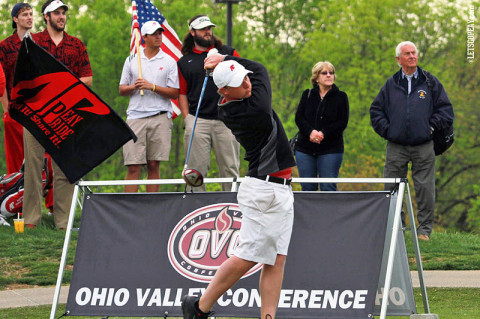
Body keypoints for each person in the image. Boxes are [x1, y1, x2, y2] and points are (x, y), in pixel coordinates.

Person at [181, 55, 296, 319]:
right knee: (248, 256)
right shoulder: (251, 107)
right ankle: (198, 308)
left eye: (244, 76)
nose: (246, 83)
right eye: (238, 82)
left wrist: (227, 62)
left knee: (276, 259)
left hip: (279, 189)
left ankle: (268, 317)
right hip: (263, 191)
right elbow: (261, 68)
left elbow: (253, 73)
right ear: (223, 91)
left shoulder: (234, 101)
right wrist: (226, 57)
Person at [370, 41, 454, 241]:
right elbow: (376, 111)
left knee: (425, 188)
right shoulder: (391, 84)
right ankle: (397, 228)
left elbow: (446, 110)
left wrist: (431, 127)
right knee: (391, 187)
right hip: (396, 146)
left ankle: (424, 230)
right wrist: (388, 131)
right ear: (398, 59)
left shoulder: (430, 82)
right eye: (407, 54)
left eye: (414, 53)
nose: (412, 56)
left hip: (424, 145)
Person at [22, 0, 93, 229]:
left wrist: (64, 92)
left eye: (63, 13)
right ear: (46, 16)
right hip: (36, 114)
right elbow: (24, 77)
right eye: (57, 13)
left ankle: (63, 222)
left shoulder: (76, 44)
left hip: (66, 116)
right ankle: (32, 221)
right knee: (33, 169)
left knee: (65, 168)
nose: (62, 16)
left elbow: (87, 78)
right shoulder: (32, 42)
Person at [177, 15, 240, 191]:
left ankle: (232, 204)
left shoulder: (228, 52)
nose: (208, 31)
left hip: (227, 119)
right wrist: (187, 119)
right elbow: (182, 93)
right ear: (192, 32)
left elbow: (243, 79)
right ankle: (196, 208)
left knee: (230, 168)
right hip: (198, 120)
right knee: (195, 171)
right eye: (203, 29)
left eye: (209, 28)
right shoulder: (184, 61)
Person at [119, 21, 179, 193]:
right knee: (133, 166)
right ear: (144, 37)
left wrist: (151, 86)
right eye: (154, 34)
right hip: (135, 117)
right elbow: (122, 89)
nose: (158, 36)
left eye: (160, 33)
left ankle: (151, 207)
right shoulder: (132, 59)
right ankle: (130, 208)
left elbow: (174, 93)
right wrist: (134, 87)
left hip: (160, 116)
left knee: (153, 164)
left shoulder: (169, 61)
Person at [294, 61, 349, 191]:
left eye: (331, 73)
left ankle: (329, 212)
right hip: (305, 149)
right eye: (324, 73)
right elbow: (299, 118)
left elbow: (342, 122)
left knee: (328, 187)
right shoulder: (307, 94)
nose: (329, 75)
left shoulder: (341, 97)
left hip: (331, 148)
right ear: (316, 78)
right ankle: (309, 212)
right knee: (307, 188)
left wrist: (323, 133)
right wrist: (311, 132)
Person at [0, 3, 33, 175]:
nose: (29, 17)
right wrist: (7, 110)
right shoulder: (4, 47)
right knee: (16, 161)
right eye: (25, 15)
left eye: (30, 14)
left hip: (38, 109)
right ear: (15, 19)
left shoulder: (39, 43)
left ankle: (50, 202)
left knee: (45, 159)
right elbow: (1, 79)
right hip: (15, 110)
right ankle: (16, 198)